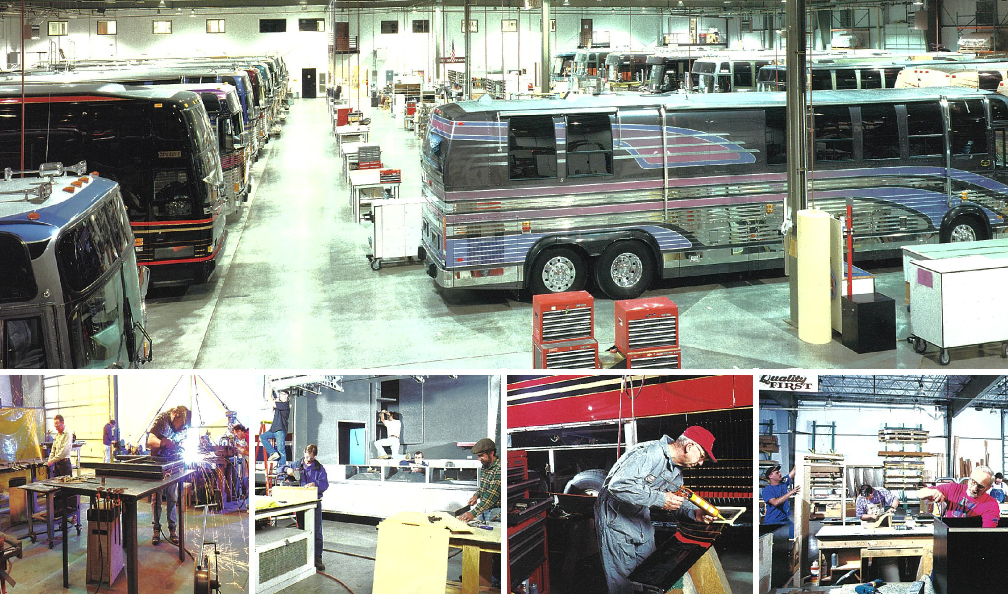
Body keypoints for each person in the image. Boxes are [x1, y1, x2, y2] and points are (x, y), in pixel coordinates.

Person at [595, 426, 718, 594]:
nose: (701, 463)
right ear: (689, 446)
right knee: (623, 585)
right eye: (702, 456)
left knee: (649, 575)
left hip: (640, 521)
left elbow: (675, 498)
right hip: (616, 523)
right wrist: (661, 499)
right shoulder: (648, 453)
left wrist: (694, 512)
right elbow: (618, 485)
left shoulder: (676, 471)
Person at [147, 405, 191, 545]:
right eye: (182, 424)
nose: (182, 428)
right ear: (176, 414)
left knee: (172, 497)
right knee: (157, 499)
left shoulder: (181, 427)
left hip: (172, 465)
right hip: (158, 464)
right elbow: (150, 440)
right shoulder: (162, 419)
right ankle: (156, 529)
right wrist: (162, 443)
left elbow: (181, 439)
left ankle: (173, 529)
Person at [286, 444, 328, 572]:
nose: (307, 460)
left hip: (314, 502)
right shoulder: (297, 464)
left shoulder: (319, 468)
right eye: (306, 457)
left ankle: (317, 558)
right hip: (300, 501)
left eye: (310, 458)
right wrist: (288, 470)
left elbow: (325, 484)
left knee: (316, 531)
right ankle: (302, 558)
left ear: (314, 456)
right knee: (301, 530)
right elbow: (280, 470)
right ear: (304, 452)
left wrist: (315, 484)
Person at [918, 466, 1000, 528]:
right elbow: (920, 493)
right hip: (948, 538)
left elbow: (988, 533)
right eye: (973, 482)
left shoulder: (991, 504)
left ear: (988, 488)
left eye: (980, 487)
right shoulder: (953, 489)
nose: (974, 488)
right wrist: (933, 491)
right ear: (969, 479)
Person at [459, 438, 500, 523]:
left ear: (491, 453)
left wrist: (472, 513)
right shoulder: (485, 466)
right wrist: (476, 496)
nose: (479, 459)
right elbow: (483, 487)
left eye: (481, 455)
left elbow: (491, 495)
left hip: (496, 512)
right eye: (478, 456)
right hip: (485, 509)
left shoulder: (500, 468)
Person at [761, 465, 799, 537]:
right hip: (772, 522)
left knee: (797, 533)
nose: (780, 474)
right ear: (770, 476)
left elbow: (794, 471)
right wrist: (791, 492)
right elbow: (775, 502)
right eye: (777, 473)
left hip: (784, 520)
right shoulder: (767, 490)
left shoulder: (783, 483)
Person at [262, 390, 291, 468]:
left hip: (280, 430)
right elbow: (272, 399)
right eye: (281, 394)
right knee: (262, 437)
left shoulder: (285, 405)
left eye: (284, 394)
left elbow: (270, 399)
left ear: (288, 397)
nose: (282, 395)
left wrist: (270, 387)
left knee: (281, 451)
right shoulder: (280, 404)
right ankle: (273, 453)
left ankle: (282, 470)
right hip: (274, 429)